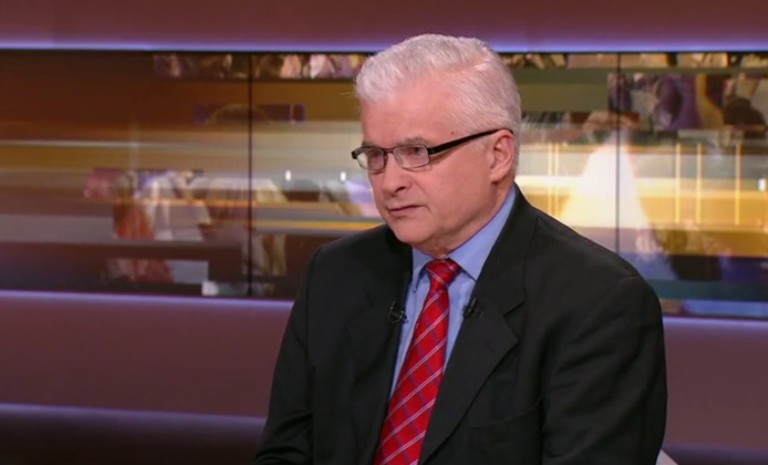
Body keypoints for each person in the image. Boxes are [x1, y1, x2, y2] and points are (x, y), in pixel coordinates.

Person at [254, 34, 667, 465]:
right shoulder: (336, 274)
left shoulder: (599, 303)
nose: (390, 182)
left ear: (498, 155)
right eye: (376, 155)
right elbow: (286, 453)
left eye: (416, 152)